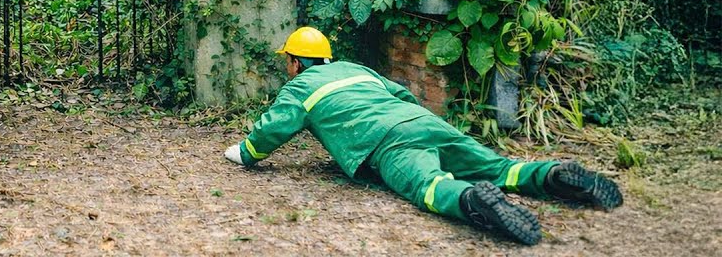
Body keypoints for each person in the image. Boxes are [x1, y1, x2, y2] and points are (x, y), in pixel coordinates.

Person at [223, 26, 623, 245]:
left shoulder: (299, 88)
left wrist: (242, 152)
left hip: (387, 141)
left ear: (295, 62)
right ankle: (550, 176)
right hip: (425, 122)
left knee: (428, 186)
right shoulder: (357, 69)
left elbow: (271, 130)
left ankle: (470, 201)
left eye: (288, 61)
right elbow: (402, 93)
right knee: (501, 167)